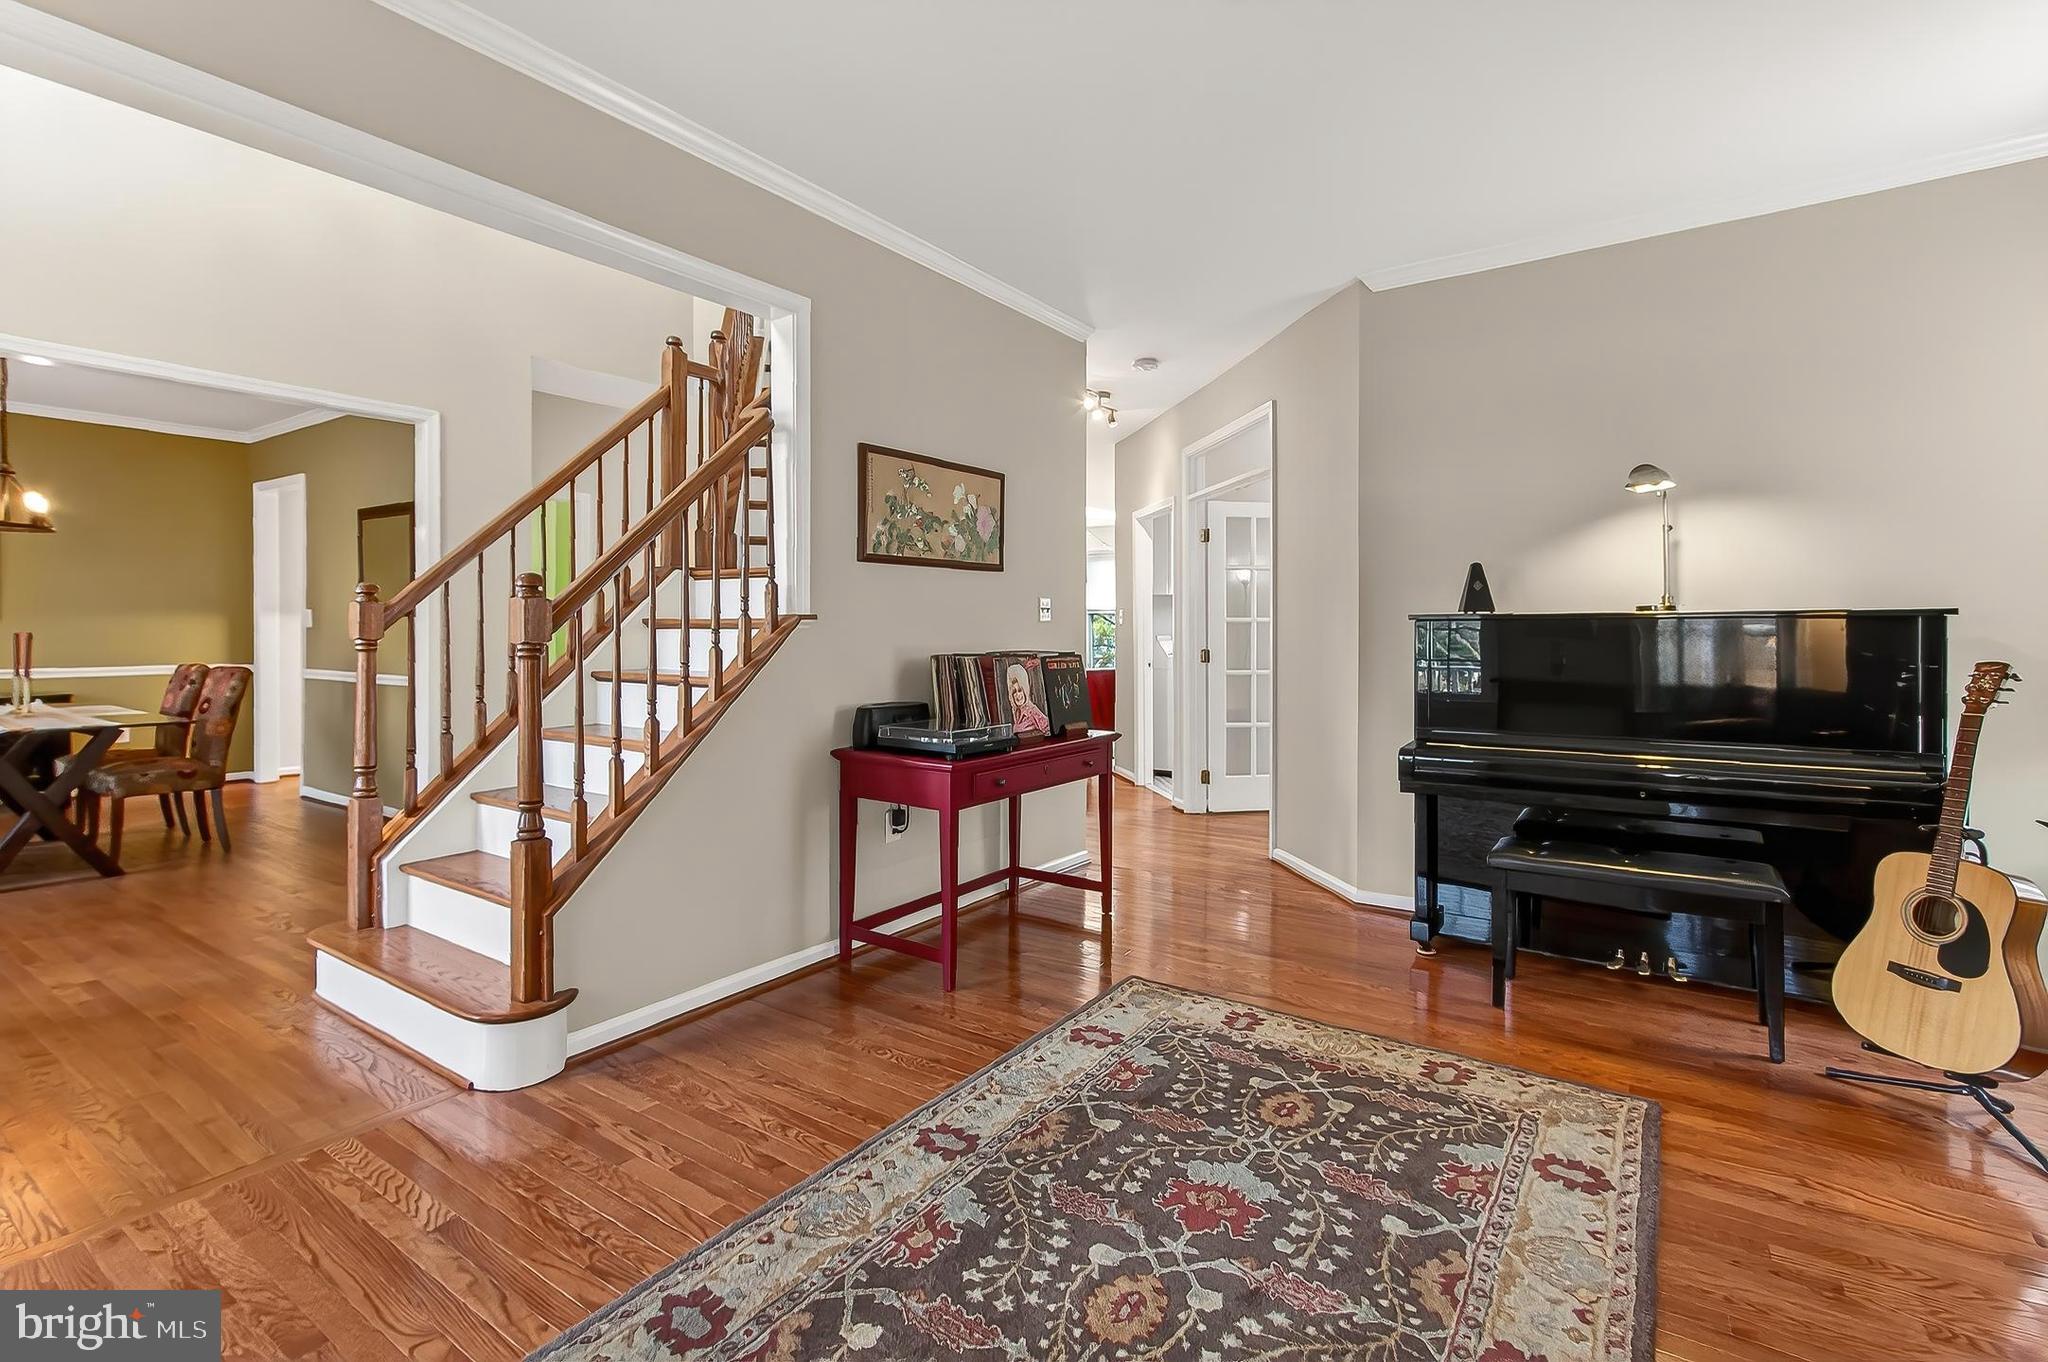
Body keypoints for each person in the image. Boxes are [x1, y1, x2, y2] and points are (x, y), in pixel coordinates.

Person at [1006, 663, 1051, 737]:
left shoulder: (1032, 710)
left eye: (1020, 690)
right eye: (1014, 692)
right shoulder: (1017, 713)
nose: (1018, 695)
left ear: (1025, 690)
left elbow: (1048, 729)